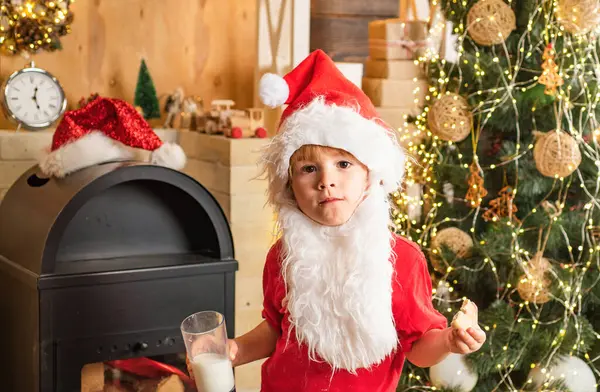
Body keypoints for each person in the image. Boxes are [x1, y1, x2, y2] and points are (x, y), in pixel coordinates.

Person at [228, 49, 486, 391]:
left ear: (370, 174)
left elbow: (419, 349)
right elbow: (276, 330)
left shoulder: (401, 260)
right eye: (308, 169)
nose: (326, 180)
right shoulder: (282, 256)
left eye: (343, 164)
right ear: (289, 185)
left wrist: (450, 342)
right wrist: (236, 350)